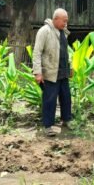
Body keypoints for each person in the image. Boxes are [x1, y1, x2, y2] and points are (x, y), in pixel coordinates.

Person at [33, 8, 72, 136]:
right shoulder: (45, 31)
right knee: (50, 100)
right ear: (55, 19)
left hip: (63, 72)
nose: (65, 23)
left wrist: (70, 66)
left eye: (66, 21)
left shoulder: (63, 32)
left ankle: (66, 120)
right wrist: (38, 72)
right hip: (50, 73)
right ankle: (48, 126)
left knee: (66, 98)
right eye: (64, 21)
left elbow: (65, 52)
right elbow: (37, 52)